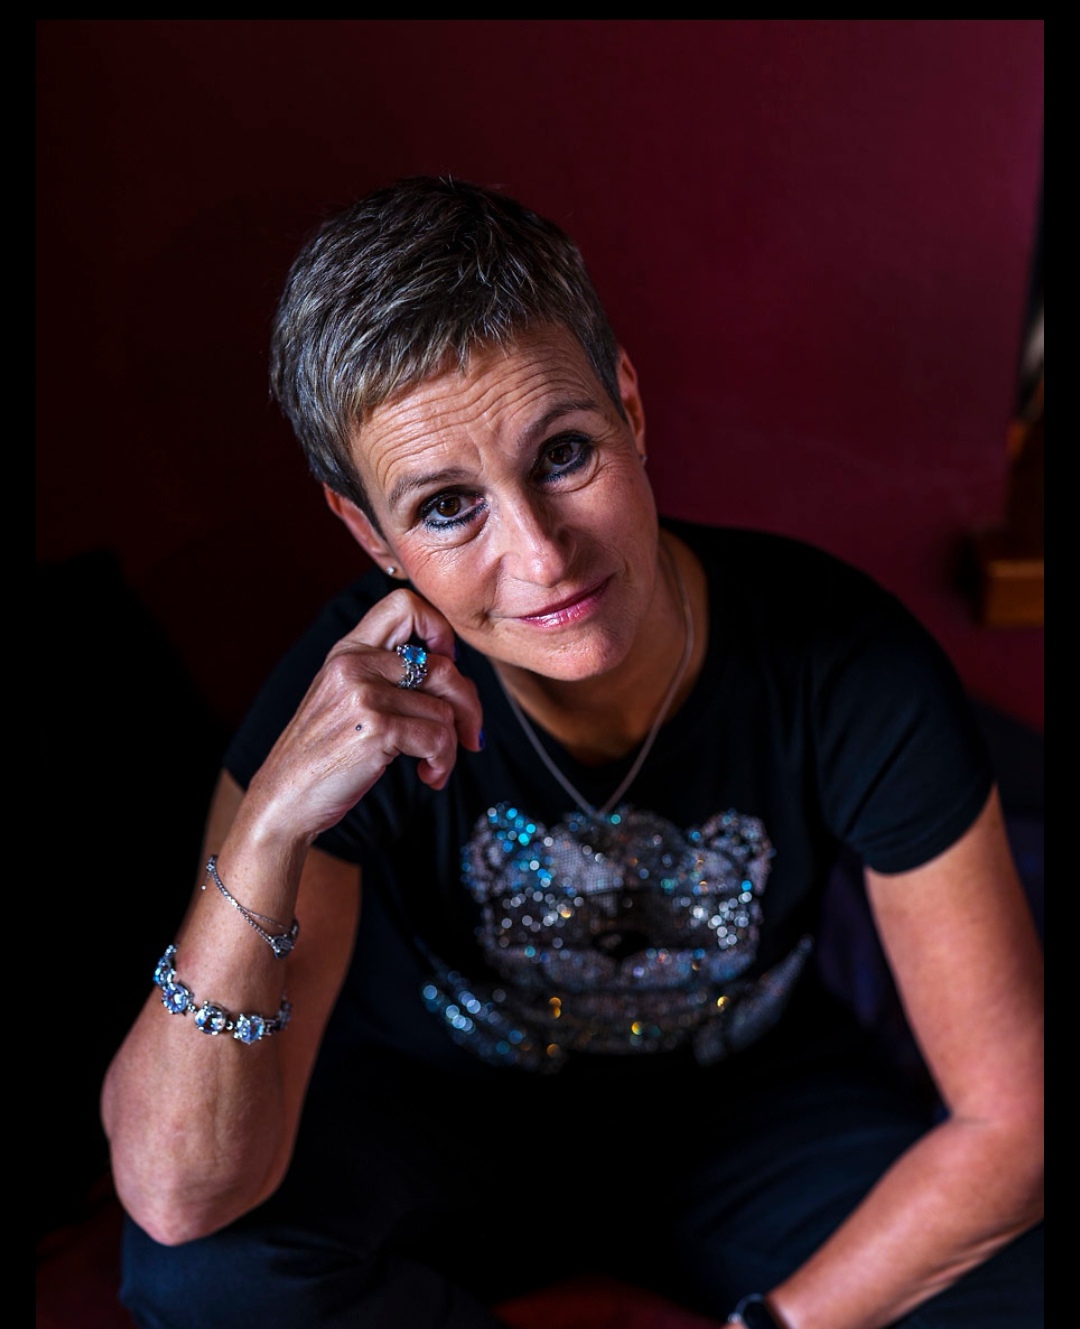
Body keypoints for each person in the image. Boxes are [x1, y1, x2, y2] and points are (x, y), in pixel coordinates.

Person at [100, 175, 1044, 1329]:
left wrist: (779, 1327)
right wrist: (266, 833)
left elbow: (1015, 1121)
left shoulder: (847, 663)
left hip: (751, 1111)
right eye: (446, 507)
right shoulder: (339, 708)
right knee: (201, 1278)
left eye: (561, 454)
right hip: (433, 1115)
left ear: (629, 410)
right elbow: (177, 1195)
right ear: (368, 533)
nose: (542, 559)